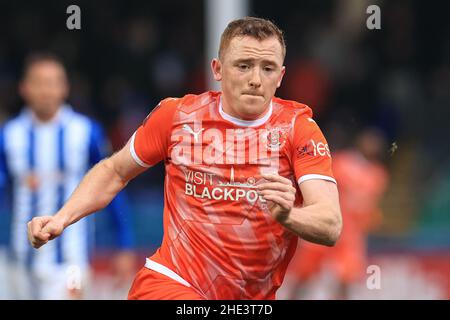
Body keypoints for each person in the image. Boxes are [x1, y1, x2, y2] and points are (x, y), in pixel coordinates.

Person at [27, 17, 342, 300]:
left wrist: (289, 217)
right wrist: (61, 217)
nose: (255, 79)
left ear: (281, 75)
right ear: (217, 69)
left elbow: (329, 224)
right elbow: (114, 171)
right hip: (170, 282)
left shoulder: (298, 130)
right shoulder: (177, 116)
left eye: (267, 68)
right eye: (243, 65)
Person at [0, 53, 136, 299]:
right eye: (39, 83)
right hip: (20, 261)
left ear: (64, 88)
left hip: (71, 262)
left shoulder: (86, 132)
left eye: (53, 83)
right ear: (24, 88)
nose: (46, 91)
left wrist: (124, 244)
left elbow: (112, 184)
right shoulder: (9, 136)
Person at [286, 128, 389, 299]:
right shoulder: (342, 162)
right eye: (369, 140)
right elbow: (322, 186)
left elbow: (370, 206)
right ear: (360, 141)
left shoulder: (378, 175)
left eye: (376, 143)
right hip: (327, 223)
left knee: (346, 278)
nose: (372, 145)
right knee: (305, 273)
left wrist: (369, 221)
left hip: (350, 236)